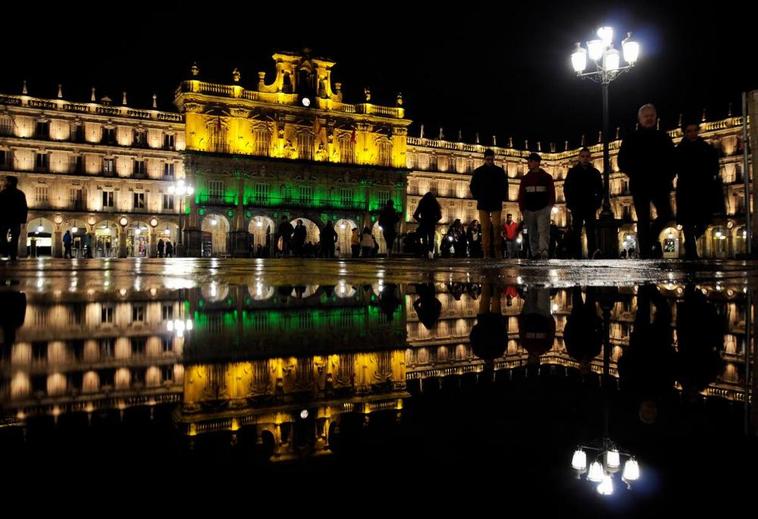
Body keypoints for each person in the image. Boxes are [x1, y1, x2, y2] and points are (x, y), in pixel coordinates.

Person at [618, 104, 675, 258]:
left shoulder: (663, 137)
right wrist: (635, 173)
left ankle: (647, 241)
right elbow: (621, 161)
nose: (649, 118)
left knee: (666, 214)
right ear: (639, 119)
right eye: (646, 116)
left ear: (656, 117)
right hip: (640, 184)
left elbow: (673, 160)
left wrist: (669, 176)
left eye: (651, 115)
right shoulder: (631, 138)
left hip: (660, 184)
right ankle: (645, 253)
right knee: (642, 219)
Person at [675, 121, 723, 259]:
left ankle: (690, 242)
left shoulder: (706, 148)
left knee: (703, 221)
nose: (692, 133)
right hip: (685, 188)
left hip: (703, 188)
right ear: (685, 133)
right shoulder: (679, 149)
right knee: (687, 221)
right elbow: (674, 167)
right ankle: (691, 251)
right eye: (689, 131)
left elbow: (715, 166)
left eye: (695, 130)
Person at [564, 147, 603, 258]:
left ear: (590, 158)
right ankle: (577, 254)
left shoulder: (595, 173)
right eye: (583, 156)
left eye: (587, 156)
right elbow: (567, 188)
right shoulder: (573, 172)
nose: (585, 159)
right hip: (577, 206)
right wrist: (570, 203)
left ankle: (591, 253)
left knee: (591, 231)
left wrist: (597, 203)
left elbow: (600, 189)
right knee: (577, 230)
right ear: (579, 158)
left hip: (590, 206)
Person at [469, 149, 509, 258]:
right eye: (488, 159)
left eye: (491, 159)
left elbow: (505, 185)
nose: (490, 161)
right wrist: (478, 197)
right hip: (483, 202)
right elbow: (472, 186)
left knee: (496, 227)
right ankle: (486, 252)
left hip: (495, 202)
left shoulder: (499, 171)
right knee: (485, 228)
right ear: (484, 159)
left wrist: (501, 196)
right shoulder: (478, 171)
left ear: (494, 158)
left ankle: (497, 251)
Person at [517, 153, 555, 259]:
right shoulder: (525, 178)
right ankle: (535, 253)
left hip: (542, 209)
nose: (528, 163)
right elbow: (521, 195)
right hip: (529, 210)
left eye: (530, 161)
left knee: (543, 231)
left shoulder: (547, 177)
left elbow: (551, 193)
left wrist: (549, 207)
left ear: (537, 163)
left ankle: (543, 252)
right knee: (532, 232)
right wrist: (522, 209)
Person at [0, 176, 28, 262]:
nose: (5, 183)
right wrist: (23, 219)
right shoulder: (20, 194)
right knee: (15, 237)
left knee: (2, 236)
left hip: (4, 218)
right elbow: (24, 207)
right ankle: (12, 254)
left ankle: (5, 251)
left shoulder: (3, 193)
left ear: (9, 183)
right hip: (16, 219)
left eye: (6, 181)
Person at [412, 192, 442, 259]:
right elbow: (440, 216)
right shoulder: (434, 203)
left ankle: (425, 254)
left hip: (424, 223)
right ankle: (430, 254)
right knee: (431, 239)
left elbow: (415, 215)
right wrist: (434, 221)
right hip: (431, 223)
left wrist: (420, 220)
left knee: (424, 239)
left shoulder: (422, 203)